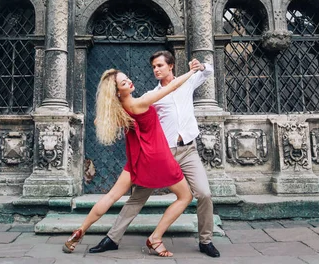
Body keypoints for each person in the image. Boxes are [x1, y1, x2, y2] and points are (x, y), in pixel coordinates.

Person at [63, 62, 202, 257]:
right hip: (158, 157)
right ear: (118, 91)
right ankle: (155, 238)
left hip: (138, 159)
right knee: (185, 197)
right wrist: (192, 71)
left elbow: (98, 120)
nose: (128, 81)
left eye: (126, 78)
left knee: (111, 196)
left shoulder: (121, 109)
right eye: (123, 82)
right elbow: (173, 86)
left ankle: (79, 231)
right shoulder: (141, 102)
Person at [90, 51, 221, 258]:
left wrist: (201, 66)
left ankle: (206, 240)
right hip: (163, 154)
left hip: (188, 150)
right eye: (153, 67)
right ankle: (112, 238)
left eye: (160, 65)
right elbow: (129, 110)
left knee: (204, 193)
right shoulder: (151, 96)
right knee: (137, 197)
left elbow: (209, 71)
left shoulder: (186, 82)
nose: (156, 69)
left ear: (171, 66)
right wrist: (119, 119)